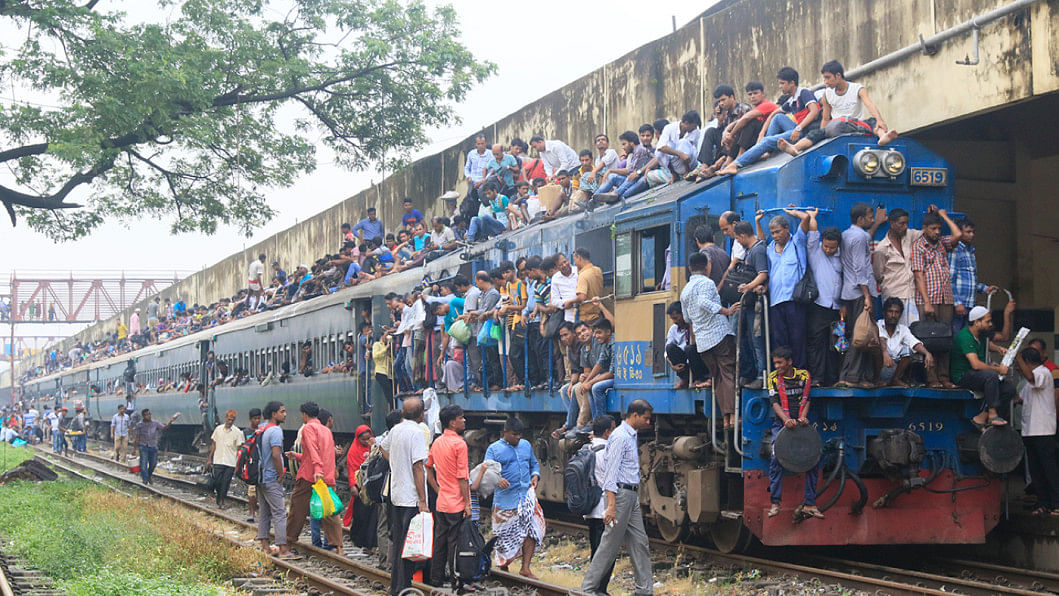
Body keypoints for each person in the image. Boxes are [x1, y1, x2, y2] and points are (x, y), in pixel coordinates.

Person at [580, 400, 654, 596]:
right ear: (635, 415)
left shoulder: (630, 435)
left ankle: (644, 591)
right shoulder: (621, 437)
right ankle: (587, 589)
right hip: (620, 495)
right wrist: (611, 505)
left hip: (630, 495)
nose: (648, 422)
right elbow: (610, 473)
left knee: (640, 542)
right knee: (609, 544)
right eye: (646, 418)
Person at [777, 59, 897, 156]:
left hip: (855, 125)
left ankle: (883, 137)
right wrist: (823, 133)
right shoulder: (827, 94)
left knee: (873, 121)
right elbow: (825, 118)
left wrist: (880, 121)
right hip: (837, 125)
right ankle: (795, 147)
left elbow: (869, 105)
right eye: (824, 78)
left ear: (838, 75)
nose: (825, 82)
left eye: (828, 77)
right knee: (815, 133)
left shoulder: (857, 89)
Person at [717, 67, 821, 175]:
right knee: (777, 117)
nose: (780, 86)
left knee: (767, 140)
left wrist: (798, 128)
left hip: (805, 132)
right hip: (797, 129)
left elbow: (814, 111)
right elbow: (773, 114)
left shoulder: (804, 93)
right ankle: (766, 149)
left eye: (782, 83)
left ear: (792, 83)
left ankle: (736, 164)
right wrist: (762, 133)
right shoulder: (791, 100)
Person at [681, 252, 741, 428]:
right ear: (707, 266)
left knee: (717, 378)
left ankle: (726, 418)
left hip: (702, 342)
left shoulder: (685, 291)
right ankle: (732, 416)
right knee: (728, 373)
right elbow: (703, 302)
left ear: (690, 268)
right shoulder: (707, 283)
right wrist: (727, 311)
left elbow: (686, 318)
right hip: (718, 334)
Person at [766, 346, 823, 519]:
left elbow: (807, 399)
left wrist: (802, 417)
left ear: (789, 362)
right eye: (775, 363)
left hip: (801, 424)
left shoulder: (804, 376)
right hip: (781, 424)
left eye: (780, 362)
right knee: (775, 457)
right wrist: (786, 420)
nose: (777, 366)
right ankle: (775, 502)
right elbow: (774, 402)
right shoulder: (772, 378)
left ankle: (810, 503)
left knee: (813, 459)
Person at [485, 417, 544, 578]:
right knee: (503, 537)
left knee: (532, 531)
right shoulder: (494, 449)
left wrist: (535, 475)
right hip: (505, 500)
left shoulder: (526, 445)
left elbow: (534, 464)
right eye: (514, 434)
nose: (518, 437)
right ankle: (503, 569)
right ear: (505, 432)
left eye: (520, 434)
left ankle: (525, 568)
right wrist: (497, 479)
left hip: (526, 498)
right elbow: (486, 470)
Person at [911, 207, 963, 388]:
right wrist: (927, 303)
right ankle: (931, 378)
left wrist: (943, 216)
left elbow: (958, 235)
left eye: (939, 228)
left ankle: (944, 377)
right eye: (933, 229)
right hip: (929, 299)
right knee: (930, 339)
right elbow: (918, 276)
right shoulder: (918, 246)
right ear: (924, 228)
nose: (937, 232)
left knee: (945, 338)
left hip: (945, 298)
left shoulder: (942, 243)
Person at [284, 402, 342, 555]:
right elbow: (324, 454)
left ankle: (288, 543)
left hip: (310, 475)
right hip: (326, 476)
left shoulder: (308, 428)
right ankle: (338, 547)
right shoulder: (326, 430)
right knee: (330, 511)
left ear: (304, 415)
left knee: (297, 508)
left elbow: (312, 449)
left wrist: (317, 469)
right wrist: (297, 456)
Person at [386, 397, 430, 596]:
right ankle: (403, 588)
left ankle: (397, 587)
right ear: (421, 414)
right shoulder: (417, 432)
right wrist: (423, 500)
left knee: (399, 544)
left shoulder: (396, 429)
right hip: (411, 497)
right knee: (408, 546)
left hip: (396, 494)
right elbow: (418, 467)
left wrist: (396, 465)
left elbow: (382, 447)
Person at [837, 202, 884, 388]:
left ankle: (856, 376)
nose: (872, 219)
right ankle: (853, 377)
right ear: (860, 219)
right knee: (862, 337)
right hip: (860, 293)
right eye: (870, 217)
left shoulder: (847, 234)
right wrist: (867, 296)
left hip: (848, 292)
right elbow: (859, 268)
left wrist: (876, 224)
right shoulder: (860, 237)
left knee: (856, 335)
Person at [426, 405, 471, 588]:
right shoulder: (459, 444)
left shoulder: (437, 442)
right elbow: (462, 477)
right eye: (461, 418)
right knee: (454, 543)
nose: (464, 420)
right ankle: (455, 581)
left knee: (439, 542)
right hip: (456, 503)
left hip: (442, 502)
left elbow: (428, 467)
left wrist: (437, 488)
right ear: (452, 423)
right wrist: (467, 504)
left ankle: (435, 579)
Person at [757, 208, 809, 368]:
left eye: (778, 232)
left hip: (795, 300)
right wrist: (758, 222)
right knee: (779, 340)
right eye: (772, 233)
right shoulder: (770, 249)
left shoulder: (797, 243)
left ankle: (799, 371)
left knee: (798, 338)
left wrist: (794, 212)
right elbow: (761, 242)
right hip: (776, 301)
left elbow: (806, 219)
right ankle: (783, 373)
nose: (775, 236)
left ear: (786, 229)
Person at [951, 306, 1017, 428]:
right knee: (991, 376)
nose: (990, 324)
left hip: (976, 375)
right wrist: (998, 369)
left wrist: (998, 349)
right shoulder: (965, 337)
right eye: (987, 321)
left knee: (1009, 390)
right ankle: (992, 415)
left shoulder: (980, 335)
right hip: (963, 375)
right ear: (977, 322)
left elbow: (988, 344)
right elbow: (976, 365)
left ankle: (981, 417)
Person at [1015, 347, 1059, 515]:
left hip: (1043, 429)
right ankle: (1043, 502)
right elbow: (1021, 399)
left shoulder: (1043, 373)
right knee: (1036, 470)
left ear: (1027, 362)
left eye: (1021, 363)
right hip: (1030, 429)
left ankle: (1056, 502)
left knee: (1048, 468)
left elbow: (1032, 378)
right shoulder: (1028, 382)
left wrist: (1017, 356)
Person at [803, 209, 843, 386]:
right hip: (819, 306)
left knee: (837, 344)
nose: (828, 250)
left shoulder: (842, 255)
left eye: (832, 247)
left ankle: (834, 378)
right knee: (816, 342)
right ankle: (817, 378)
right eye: (826, 246)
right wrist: (812, 217)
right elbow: (813, 234)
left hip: (838, 309)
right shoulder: (815, 251)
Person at [256, 401, 296, 559]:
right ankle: (283, 549)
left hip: (259, 476)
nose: (285, 414)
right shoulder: (275, 431)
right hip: (271, 477)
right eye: (282, 411)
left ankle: (265, 546)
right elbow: (275, 454)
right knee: (279, 513)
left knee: (264, 512)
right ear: (274, 414)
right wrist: (280, 474)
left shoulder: (262, 428)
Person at [733, 220, 769, 388]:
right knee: (744, 337)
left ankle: (762, 375)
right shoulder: (750, 250)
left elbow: (763, 274)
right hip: (747, 303)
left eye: (737, 238)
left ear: (742, 235)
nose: (738, 242)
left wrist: (749, 286)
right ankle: (750, 372)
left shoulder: (757, 250)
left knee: (757, 339)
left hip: (756, 303)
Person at [872, 208, 921, 327]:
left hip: (911, 293)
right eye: (901, 224)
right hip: (893, 294)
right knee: (894, 329)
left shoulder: (910, 235)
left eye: (907, 223)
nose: (905, 227)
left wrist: (933, 214)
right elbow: (878, 274)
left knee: (913, 330)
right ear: (892, 224)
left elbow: (928, 233)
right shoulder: (882, 248)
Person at [584, 415, 616, 595]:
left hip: (590, 507)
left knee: (596, 550)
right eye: (613, 429)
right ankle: (599, 589)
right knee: (605, 553)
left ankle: (595, 588)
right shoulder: (607, 451)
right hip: (604, 508)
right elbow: (612, 481)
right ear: (607, 432)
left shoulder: (586, 448)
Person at [948, 218, 997, 333]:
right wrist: (957, 303)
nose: (972, 235)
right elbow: (950, 279)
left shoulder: (970, 252)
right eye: (968, 232)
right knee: (957, 337)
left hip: (970, 304)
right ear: (959, 232)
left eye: (973, 232)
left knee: (968, 335)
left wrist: (985, 289)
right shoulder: (955, 250)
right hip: (960, 305)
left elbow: (970, 280)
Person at [877, 298, 934, 387]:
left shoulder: (903, 329)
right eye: (890, 311)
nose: (893, 315)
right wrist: (884, 353)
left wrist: (927, 353)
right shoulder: (878, 325)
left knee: (908, 350)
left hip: (894, 367)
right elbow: (881, 339)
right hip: (879, 367)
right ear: (884, 312)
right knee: (875, 348)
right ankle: (877, 380)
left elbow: (914, 342)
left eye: (897, 312)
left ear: (900, 314)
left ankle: (895, 379)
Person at [345, 425, 379, 552]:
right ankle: (359, 540)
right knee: (361, 515)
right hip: (360, 487)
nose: (366, 441)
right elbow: (352, 469)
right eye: (363, 439)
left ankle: (371, 543)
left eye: (368, 438)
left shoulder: (375, 447)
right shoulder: (353, 451)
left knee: (372, 516)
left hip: (371, 486)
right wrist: (353, 485)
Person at [576, 319, 616, 423]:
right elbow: (599, 364)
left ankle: (602, 422)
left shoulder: (614, 344)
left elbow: (612, 373)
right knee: (588, 386)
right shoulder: (605, 344)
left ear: (608, 332)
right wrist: (586, 382)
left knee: (596, 387)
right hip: (610, 376)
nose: (595, 336)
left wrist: (590, 382)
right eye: (595, 332)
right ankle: (595, 422)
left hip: (618, 378)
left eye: (599, 332)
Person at [664, 302, 709, 389]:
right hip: (685, 363)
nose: (675, 321)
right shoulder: (673, 329)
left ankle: (699, 378)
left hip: (699, 360)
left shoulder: (696, 325)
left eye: (676, 318)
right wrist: (672, 365)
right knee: (670, 348)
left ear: (684, 314)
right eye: (672, 319)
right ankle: (685, 378)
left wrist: (690, 326)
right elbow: (666, 351)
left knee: (689, 349)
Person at [207, 409, 243, 508]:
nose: (230, 422)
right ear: (226, 418)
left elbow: (239, 448)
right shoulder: (218, 429)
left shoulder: (237, 432)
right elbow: (214, 445)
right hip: (218, 460)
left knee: (225, 483)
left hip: (230, 462)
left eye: (232, 420)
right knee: (217, 481)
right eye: (229, 419)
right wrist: (210, 459)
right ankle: (219, 497)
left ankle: (222, 501)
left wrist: (238, 463)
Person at [134, 408, 179, 484]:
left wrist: (171, 421)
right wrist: (134, 449)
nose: (149, 416)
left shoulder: (155, 423)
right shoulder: (139, 425)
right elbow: (137, 437)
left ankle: (148, 476)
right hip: (143, 446)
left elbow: (164, 428)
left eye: (149, 414)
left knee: (153, 464)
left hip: (153, 446)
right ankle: (145, 480)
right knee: (143, 464)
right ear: (143, 416)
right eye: (147, 415)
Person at [243, 407, 262, 523]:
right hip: (250, 464)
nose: (257, 421)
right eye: (255, 418)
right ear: (250, 419)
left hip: (260, 464)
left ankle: (259, 512)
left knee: (261, 490)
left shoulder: (261, 432)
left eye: (259, 418)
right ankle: (252, 513)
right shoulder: (246, 432)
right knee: (251, 490)